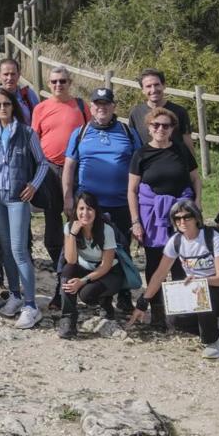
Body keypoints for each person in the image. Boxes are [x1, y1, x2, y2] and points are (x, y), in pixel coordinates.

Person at [62, 88, 141, 312]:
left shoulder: (127, 131)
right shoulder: (81, 132)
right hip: (89, 205)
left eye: (106, 103)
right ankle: (97, 294)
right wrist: (68, 197)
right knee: (87, 245)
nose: (101, 108)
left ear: (114, 107)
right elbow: (69, 166)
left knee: (121, 249)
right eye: (97, 104)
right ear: (91, 106)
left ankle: (123, 292)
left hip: (121, 202)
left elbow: (138, 165)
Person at [130, 200, 219, 358]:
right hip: (198, 289)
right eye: (177, 218)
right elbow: (160, 273)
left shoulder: (214, 239)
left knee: (202, 293)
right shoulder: (176, 241)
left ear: (197, 218)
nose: (182, 221)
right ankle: (211, 325)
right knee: (174, 318)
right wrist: (143, 303)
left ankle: (214, 341)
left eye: (187, 217)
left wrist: (200, 281)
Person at [0, 86, 50, 329]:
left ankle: (31, 305)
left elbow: (42, 163)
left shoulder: (27, 132)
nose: (2, 108)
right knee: (7, 250)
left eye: (6, 104)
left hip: (17, 196)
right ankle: (14, 295)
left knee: (20, 250)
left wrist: (33, 185)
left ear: (13, 106)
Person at [127, 105, 201, 328]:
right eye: (156, 125)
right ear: (149, 128)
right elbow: (132, 189)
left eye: (166, 126)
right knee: (154, 264)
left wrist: (196, 205)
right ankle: (157, 312)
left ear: (172, 129)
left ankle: (183, 313)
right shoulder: (141, 154)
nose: (161, 129)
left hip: (181, 214)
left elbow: (195, 179)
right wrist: (135, 221)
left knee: (181, 263)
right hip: (152, 216)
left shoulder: (181, 151)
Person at [29, 65, 87, 305]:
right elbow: (33, 140)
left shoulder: (81, 107)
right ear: (48, 84)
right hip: (50, 170)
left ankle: (79, 272)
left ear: (70, 82)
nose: (58, 85)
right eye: (53, 82)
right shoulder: (41, 108)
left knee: (77, 222)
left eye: (62, 81)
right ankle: (60, 269)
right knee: (53, 226)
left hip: (77, 169)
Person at [57, 192, 124, 339]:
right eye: (81, 209)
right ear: (75, 210)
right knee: (66, 272)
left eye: (89, 209)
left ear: (95, 211)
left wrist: (82, 281)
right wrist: (73, 235)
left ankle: (105, 301)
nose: (85, 213)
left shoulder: (106, 230)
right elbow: (71, 260)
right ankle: (68, 318)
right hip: (85, 266)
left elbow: (106, 266)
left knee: (86, 294)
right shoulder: (69, 227)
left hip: (110, 272)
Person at [128, 68, 193, 152]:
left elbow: (187, 143)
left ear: (164, 86)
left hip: (174, 162)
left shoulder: (180, 112)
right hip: (147, 163)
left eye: (156, 85)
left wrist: (193, 164)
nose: (153, 90)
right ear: (143, 90)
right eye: (148, 86)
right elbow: (132, 143)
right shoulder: (136, 113)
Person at [0, 58, 39, 122]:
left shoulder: (28, 94)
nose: (9, 78)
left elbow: (39, 118)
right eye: (6, 74)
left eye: (13, 74)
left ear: (18, 75)